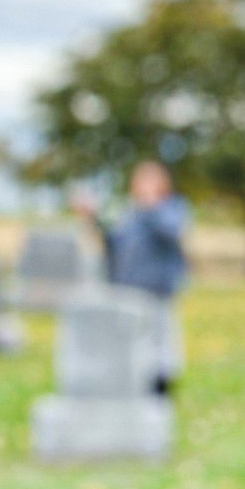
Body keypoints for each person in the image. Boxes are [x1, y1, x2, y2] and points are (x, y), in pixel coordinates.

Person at [74, 160, 189, 396]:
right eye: (140, 180)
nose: (143, 185)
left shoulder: (172, 208)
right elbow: (113, 245)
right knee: (131, 346)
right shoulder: (129, 213)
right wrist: (91, 218)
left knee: (160, 345)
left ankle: (161, 389)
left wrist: (151, 206)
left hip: (157, 291)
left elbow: (172, 232)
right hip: (127, 291)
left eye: (150, 179)